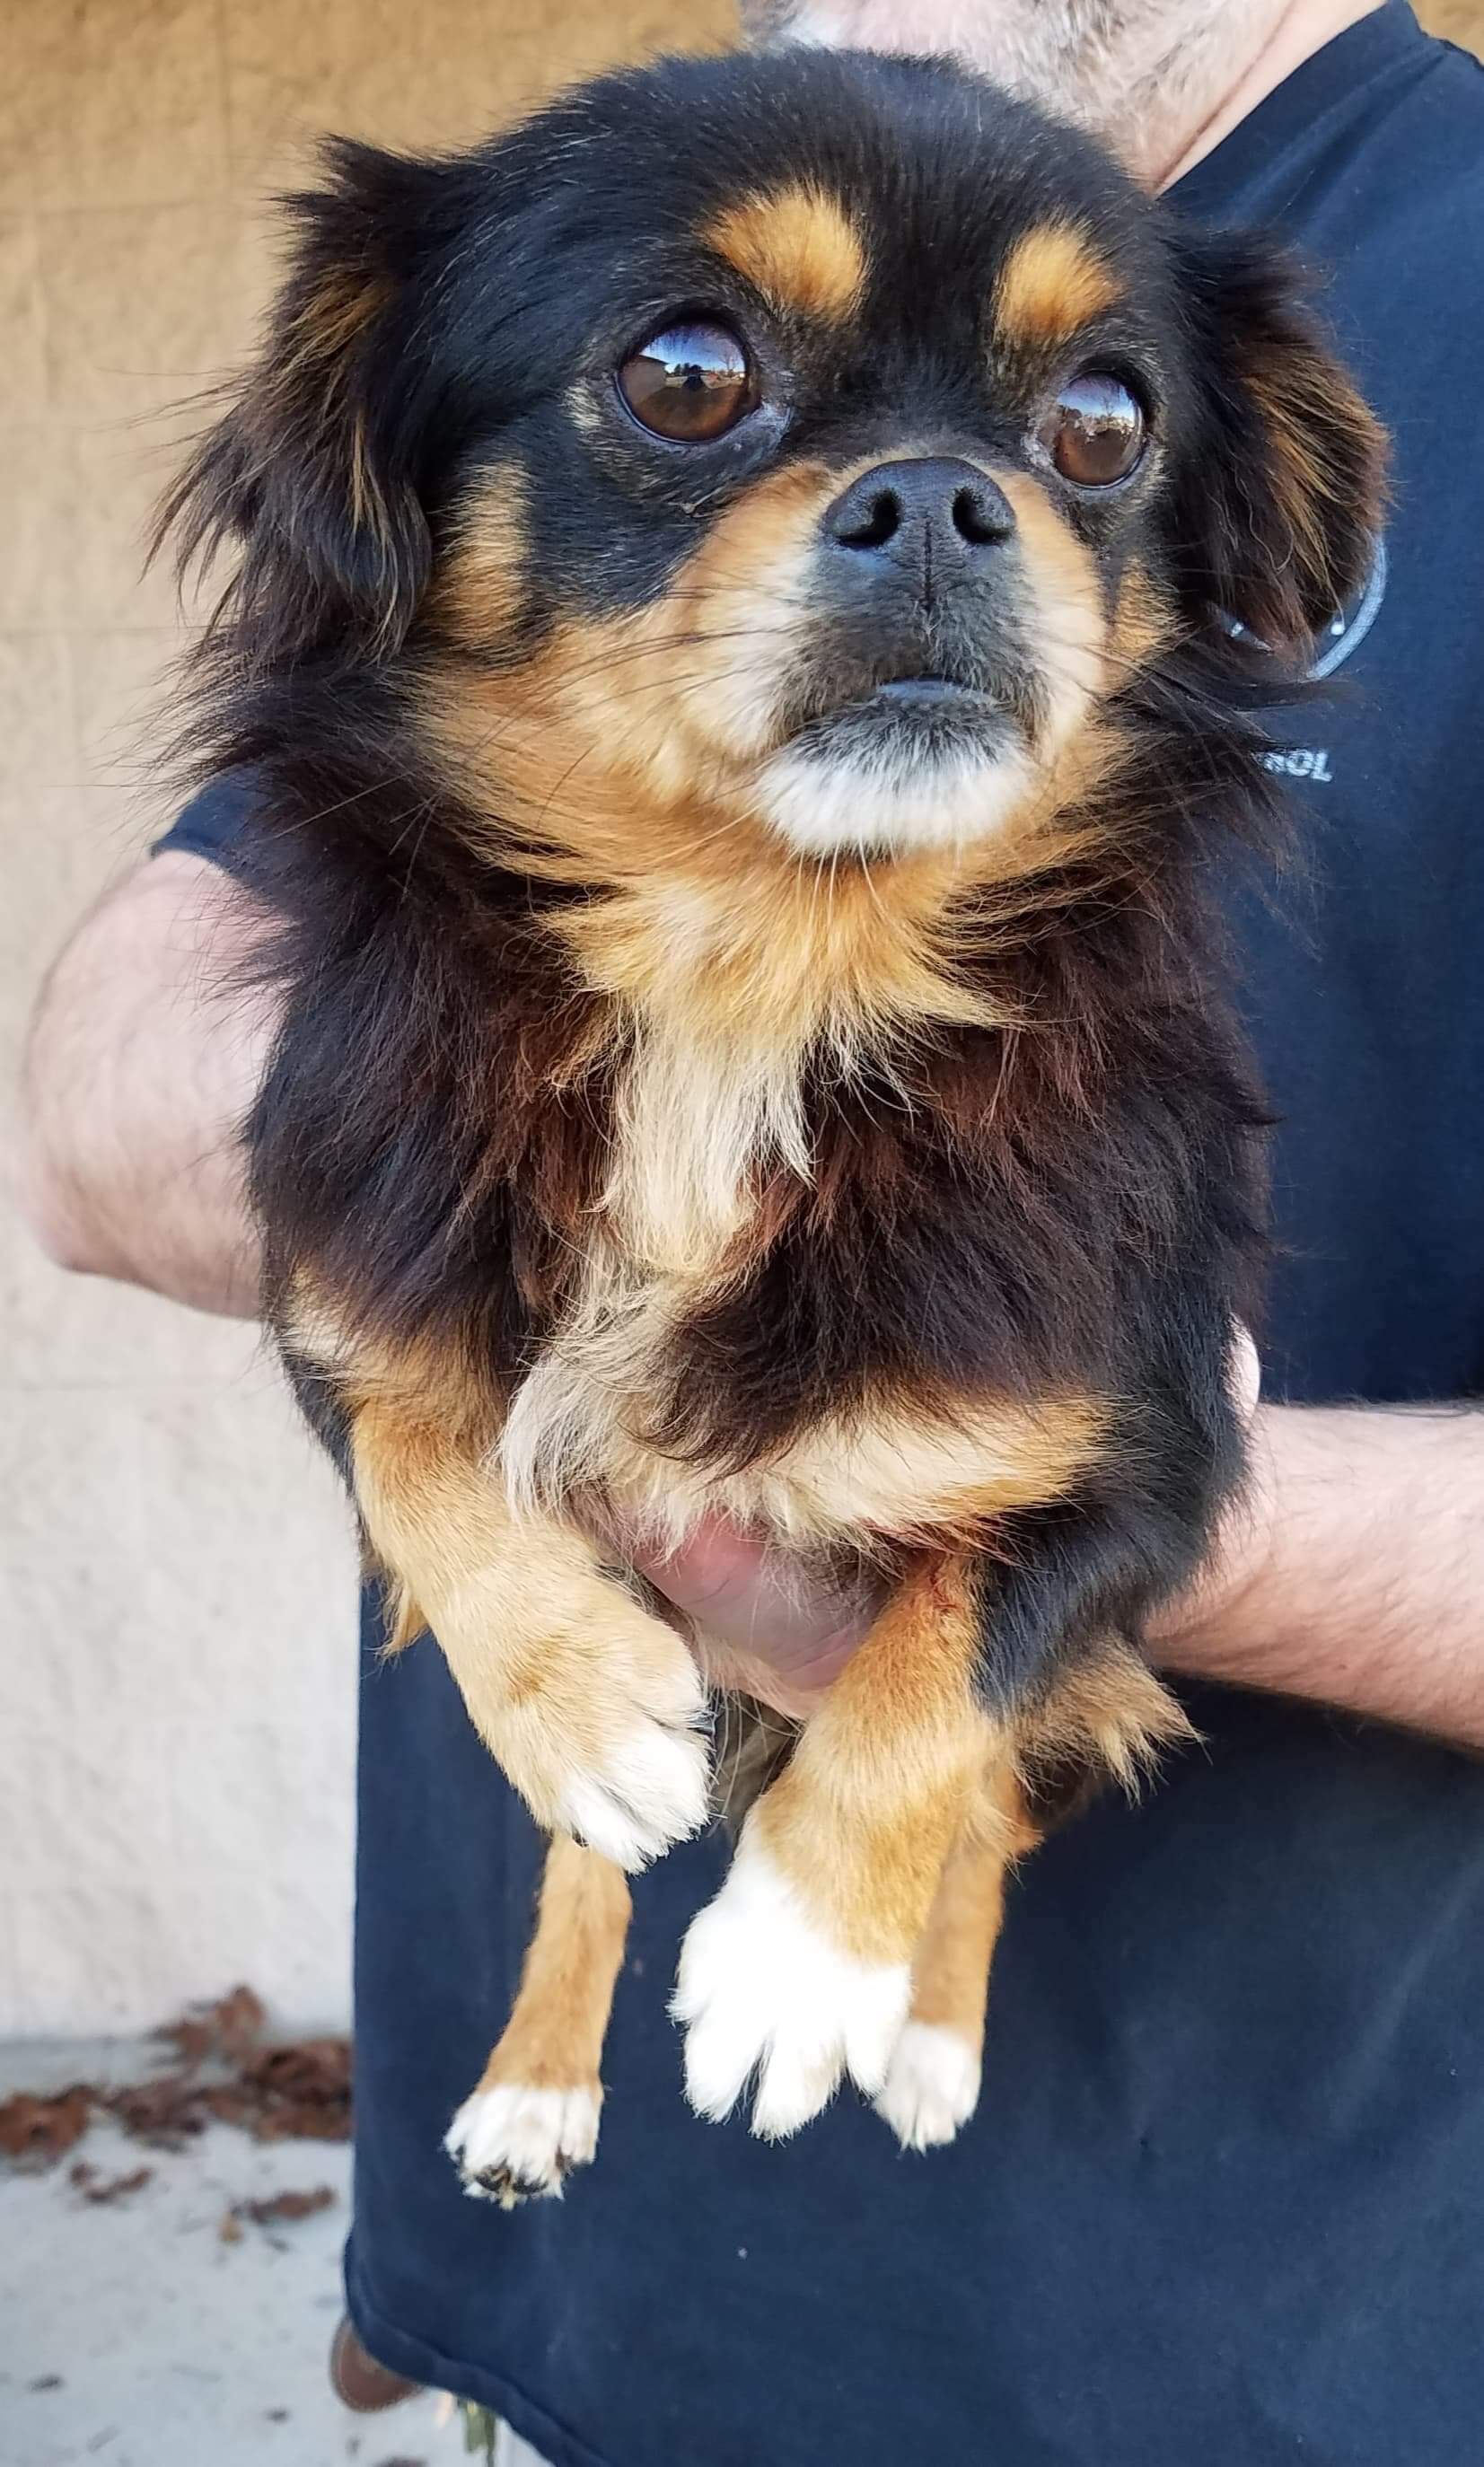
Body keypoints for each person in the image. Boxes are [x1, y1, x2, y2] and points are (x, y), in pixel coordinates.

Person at [15, 4, 1484, 2459]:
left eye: (1083, 434)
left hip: (1243, 2363)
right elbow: (91, 1111)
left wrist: (1114, 1500)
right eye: (692, 383)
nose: (939, 513)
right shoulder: (585, 218)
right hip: (555, 2298)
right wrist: (483, 1237)